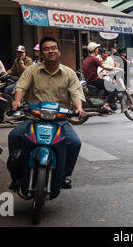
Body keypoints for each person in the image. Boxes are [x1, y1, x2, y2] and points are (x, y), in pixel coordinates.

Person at [9, 36, 87, 189]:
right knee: (14, 136)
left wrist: (79, 108)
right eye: (46, 49)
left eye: (53, 48)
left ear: (59, 52)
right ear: (41, 54)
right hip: (34, 119)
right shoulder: (32, 71)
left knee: (74, 143)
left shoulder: (69, 73)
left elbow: (76, 93)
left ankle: (65, 175)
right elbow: (21, 87)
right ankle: (16, 174)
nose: (50, 51)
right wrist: (17, 101)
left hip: (59, 121)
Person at [83, 42, 122, 113]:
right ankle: (106, 105)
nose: (98, 50)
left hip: (90, 81)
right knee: (114, 87)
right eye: (97, 48)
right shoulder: (94, 59)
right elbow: (105, 67)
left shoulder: (86, 59)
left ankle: (103, 103)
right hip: (95, 81)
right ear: (94, 50)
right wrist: (116, 69)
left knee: (107, 87)